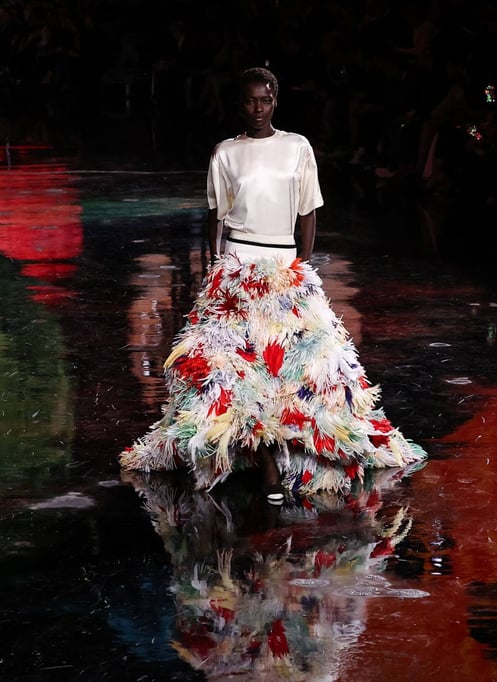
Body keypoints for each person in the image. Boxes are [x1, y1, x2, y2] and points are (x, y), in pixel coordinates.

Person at [120, 67, 426, 503]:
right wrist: (218, 267)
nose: (257, 109)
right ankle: (262, 460)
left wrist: (301, 268)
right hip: (240, 264)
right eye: (248, 101)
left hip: (284, 264)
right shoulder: (225, 152)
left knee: (295, 368)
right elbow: (216, 215)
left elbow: (308, 212)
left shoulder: (296, 147)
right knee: (240, 368)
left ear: (275, 100)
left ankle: (291, 451)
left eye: (264, 100)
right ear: (238, 104)